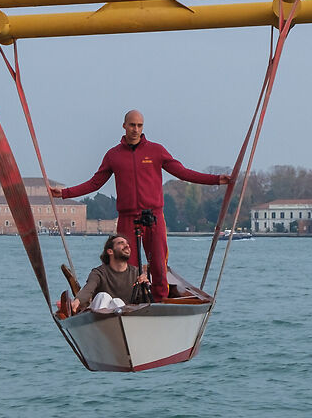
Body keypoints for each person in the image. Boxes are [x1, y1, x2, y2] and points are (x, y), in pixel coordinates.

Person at [51, 109, 229, 298]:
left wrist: (216, 180)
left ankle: (160, 301)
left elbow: (183, 172)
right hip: (127, 218)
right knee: (126, 264)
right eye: (132, 125)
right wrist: (64, 193)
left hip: (154, 217)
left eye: (139, 125)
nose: (135, 129)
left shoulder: (156, 151)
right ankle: (130, 303)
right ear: (124, 126)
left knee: (159, 263)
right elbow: (95, 183)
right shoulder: (113, 155)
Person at [57, 233, 153, 317]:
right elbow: (89, 288)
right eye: (121, 243)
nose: (127, 245)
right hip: (99, 318)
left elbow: (144, 303)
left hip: (124, 319)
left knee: (117, 302)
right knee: (103, 296)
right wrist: (77, 301)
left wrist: (145, 287)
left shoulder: (136, 273)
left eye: (127, 244)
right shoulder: (99, 272)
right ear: (110, 251)